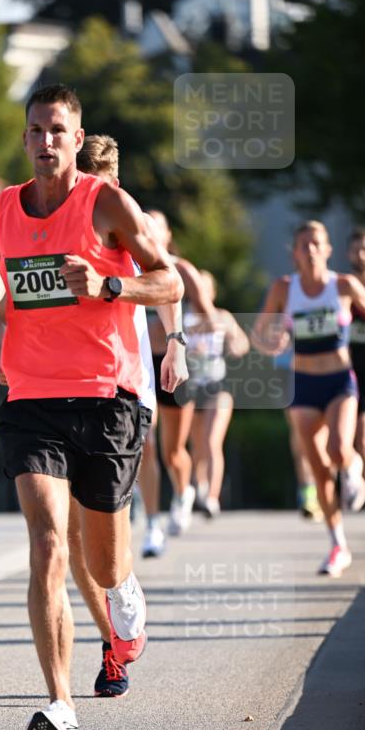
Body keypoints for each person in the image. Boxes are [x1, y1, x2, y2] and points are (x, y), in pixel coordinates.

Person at [0, 85, 183, 730]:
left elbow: (168, 281)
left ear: (76, 133)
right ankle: (60, 707)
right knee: (48, 547)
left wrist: (108, 285)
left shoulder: (107, 205)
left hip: (106, 398)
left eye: (57, 130)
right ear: (24, 136)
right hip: (31, 399)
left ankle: (123, 594)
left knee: (104, 560)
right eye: (35, 130)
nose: (45, 141)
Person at [252, 220, 365, 577]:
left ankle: (352, 468)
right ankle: (337, 544)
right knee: (317, 468)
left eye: (317, 243)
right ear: (295, 252)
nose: (311, 250)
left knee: (337, 447)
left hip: (339, 382)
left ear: (328, 249)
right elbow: (259, 333)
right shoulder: (284, 288)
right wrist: (272, 342)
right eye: (304, 244)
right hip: (303, 383)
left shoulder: (345, 285)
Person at [138, 211, 217, 552]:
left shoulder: (181, 270)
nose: (150, 232)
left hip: (174, 364)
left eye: (156, 226)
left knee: (173, 452)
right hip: (141, 366)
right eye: (145, 226)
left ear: (167, 234)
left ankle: (184, 491)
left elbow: (211, 318)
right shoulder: (130, 265)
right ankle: (153, 524)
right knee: (145, 442)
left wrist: (181, 337)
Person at [186, 270, 249, 518]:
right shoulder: (183, 318)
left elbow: (243, 343)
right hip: (190, 388)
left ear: (211, 292)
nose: (199, 291)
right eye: (195, 286)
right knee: (196, 446)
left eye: (204, 287)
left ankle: (212, 498)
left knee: (212, 441)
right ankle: (197, 489)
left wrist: (235, 344)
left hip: (217, 385)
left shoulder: (222, 317)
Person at [347, 227, 365, 482]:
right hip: (347, 372)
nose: (361, 255)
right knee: (347, 439)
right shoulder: (343, 289)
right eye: (356, 250)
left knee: (363, 437)